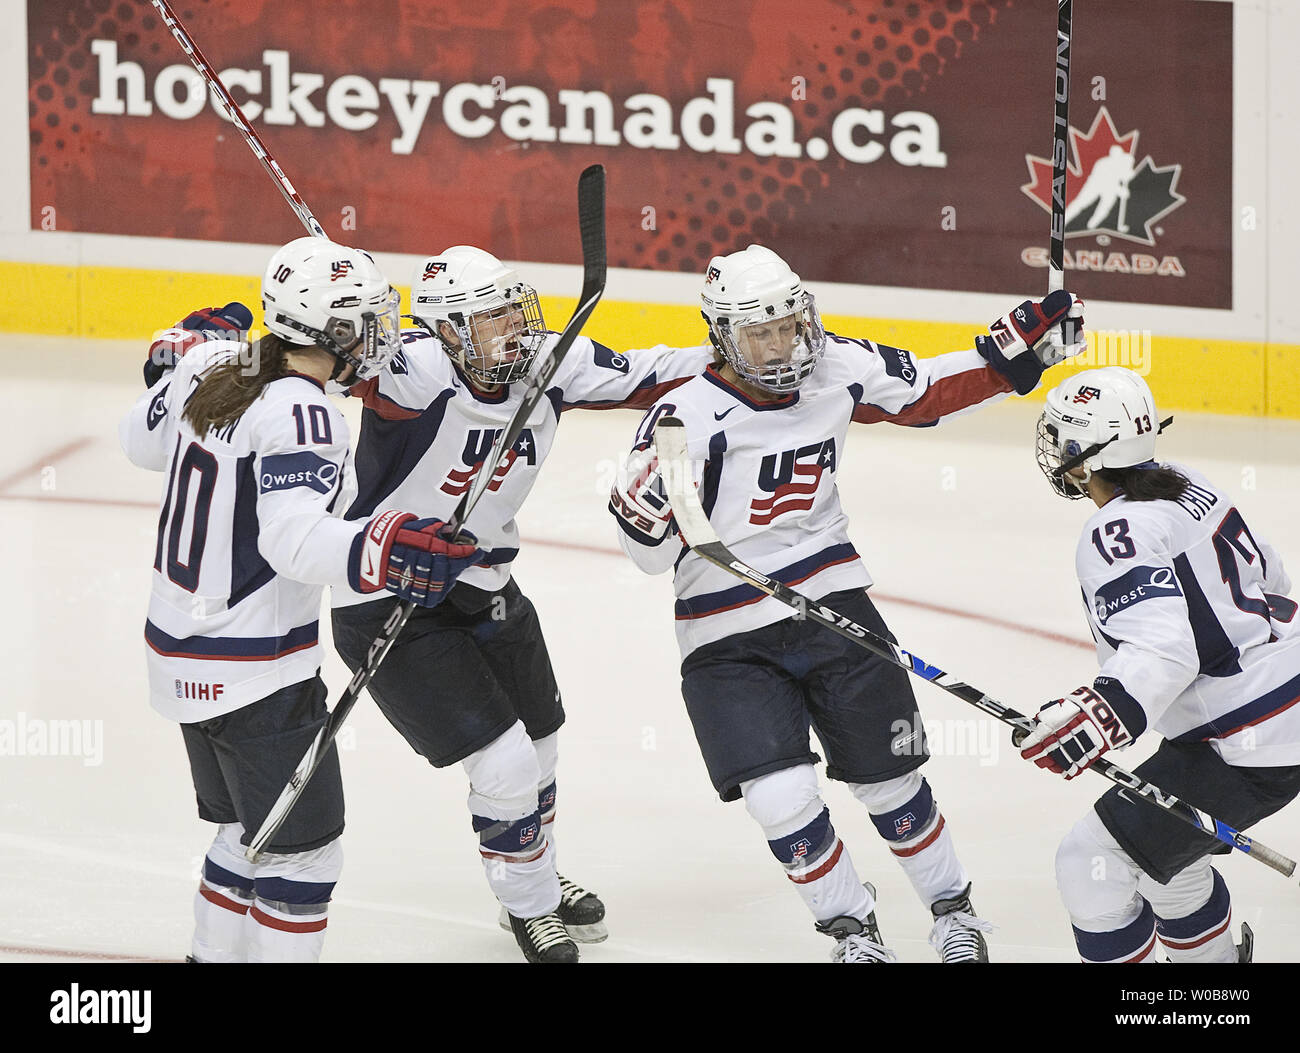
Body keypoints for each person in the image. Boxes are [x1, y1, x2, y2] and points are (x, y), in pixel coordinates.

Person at [609, 244, 1086, 962]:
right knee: (779, 798)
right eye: (758, 332)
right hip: (723, 633)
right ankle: (851, 928)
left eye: (788, 324)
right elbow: (649, 559)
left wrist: (1018, 353)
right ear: (721, 336)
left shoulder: (835, 364)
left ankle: (953, 911)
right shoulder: (683, 419)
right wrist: (637, 518)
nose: (781, 345)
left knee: (891, 778)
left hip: (835, 604)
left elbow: (925, 393)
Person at [330, 245, 713, 962]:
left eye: (514, 308)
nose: (513, 326)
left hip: (484, 582)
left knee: (539, 743)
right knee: (502, 764)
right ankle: (529, 905)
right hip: (388, 595)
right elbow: (327, 358)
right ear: (447, 330)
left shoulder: (548, 362)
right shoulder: (413, 372)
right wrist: (324, 329)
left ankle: (530, 871)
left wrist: (737, 356)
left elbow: (650, 372)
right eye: (490, 317)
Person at [119, 237, 480, 962]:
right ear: (330, 332)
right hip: (257, 676)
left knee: (248, 834)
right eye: (365, 321)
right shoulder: (303, 413)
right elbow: (292, 541)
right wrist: (389, 548)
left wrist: (170, 364)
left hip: (181, 658)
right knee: (303, 857)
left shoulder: (214, 363)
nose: (380, 335)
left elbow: (139, 440)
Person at [1020, 366, 1300, 963]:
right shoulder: (1186, 484)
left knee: (1088, 868)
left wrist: (1095, 716)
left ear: (1084, 454)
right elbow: (1271, 576)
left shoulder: (1113, 531)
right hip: (1281, 701)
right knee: (1165, 865)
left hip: (1245, 739)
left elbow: (1164, 647)